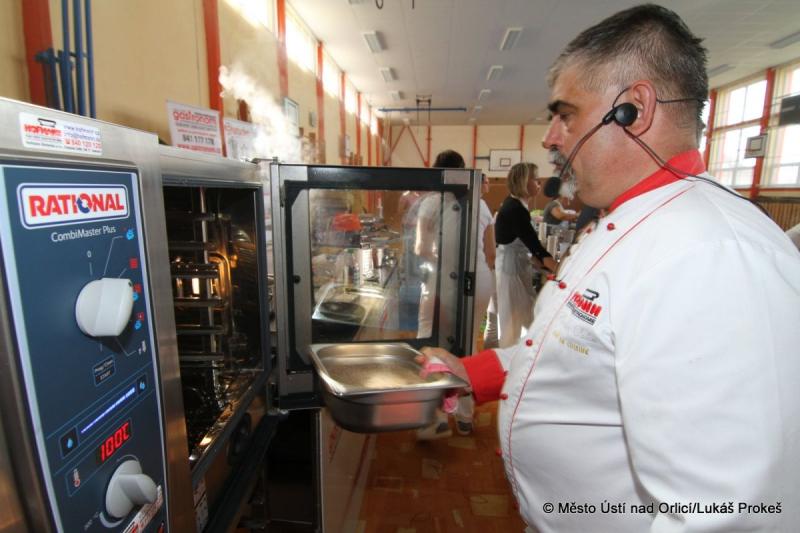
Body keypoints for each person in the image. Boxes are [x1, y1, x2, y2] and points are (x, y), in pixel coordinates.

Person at [419, 4, 800, 531]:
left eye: (566, 114)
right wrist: (472, 373)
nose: (551, 137)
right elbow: (566, 351)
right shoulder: (626, 222)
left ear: (633, 110)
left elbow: (727, 513)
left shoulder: (711, 256)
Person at [494, 162, 556, 348]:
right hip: (510, 270)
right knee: (512, 324)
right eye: (535, 180)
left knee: (524, 318)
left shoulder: (516, 205)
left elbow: (530, 247)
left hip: (515, 266)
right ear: (523, 182)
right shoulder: (515, 209)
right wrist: (561, 270)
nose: (539, 183)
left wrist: (543, 264)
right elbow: (536, 247)